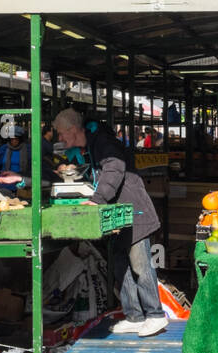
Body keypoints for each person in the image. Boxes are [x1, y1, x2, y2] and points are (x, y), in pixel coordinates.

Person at [52, 109, 166, 338]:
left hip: (135, 212)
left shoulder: (103, 142)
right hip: (118, 215)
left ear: (73, 130)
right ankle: (134, 316)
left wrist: (98, 199)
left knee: (140, 265)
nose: (60, 138)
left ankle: (155, 315)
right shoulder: (90, 146)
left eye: (61, 133)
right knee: (121, 265)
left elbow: (114, 167)